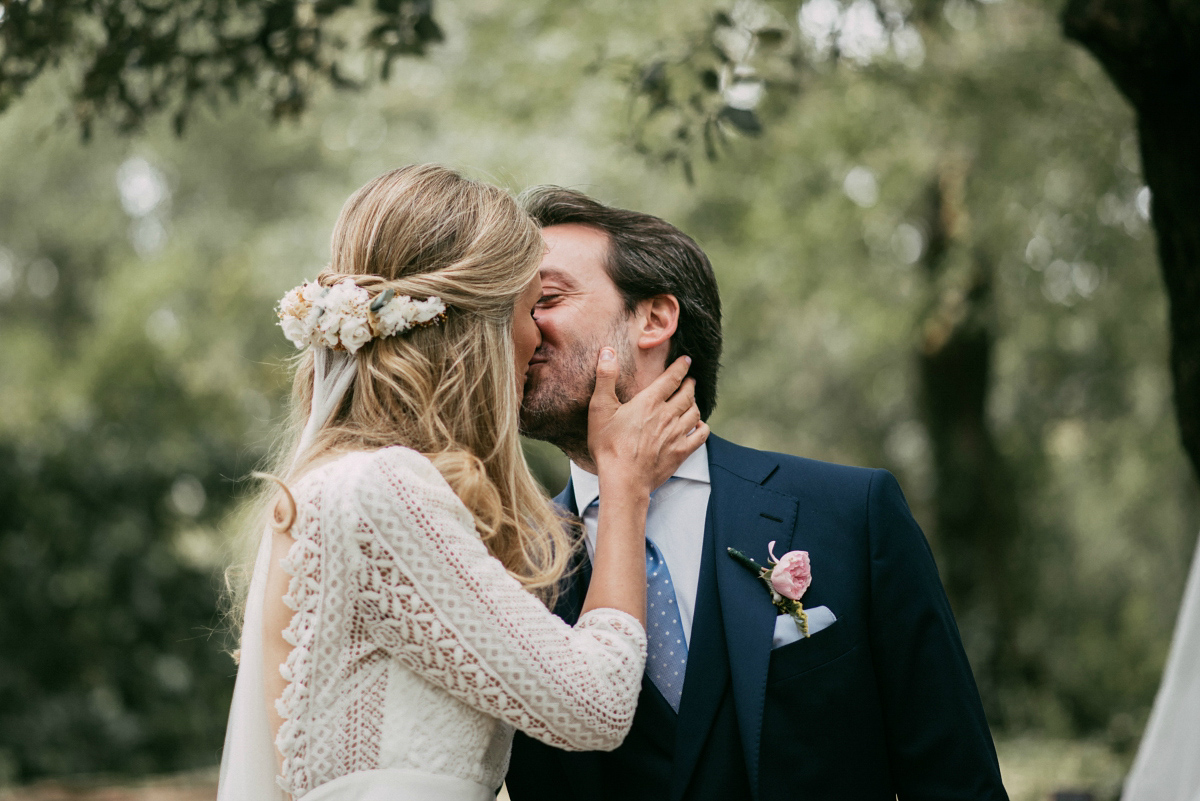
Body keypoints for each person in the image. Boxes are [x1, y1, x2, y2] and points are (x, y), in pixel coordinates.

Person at [216, 165, 708, 801]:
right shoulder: (379, 488)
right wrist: (624, 487)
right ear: (482, 322)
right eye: (533, 306)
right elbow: (595, 706)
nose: (539, 335)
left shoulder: (351, 481)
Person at [506, 187, 1010, 801]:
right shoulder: (506, 565)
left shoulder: (852, 514)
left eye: (545, 298)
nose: (517, 329)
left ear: (655, 320)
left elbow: (956, 781)